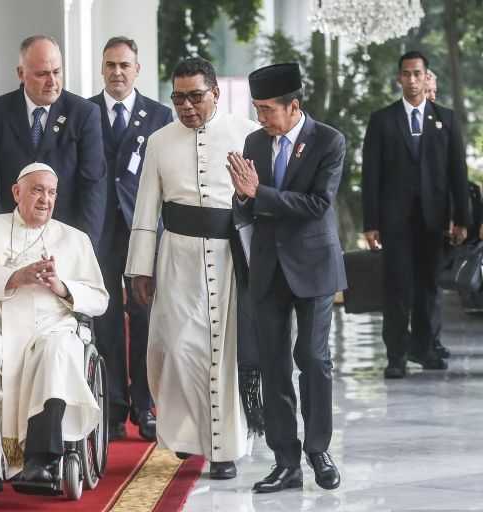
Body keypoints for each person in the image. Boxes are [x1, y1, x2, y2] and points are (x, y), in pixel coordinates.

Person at [0, 163, 108, 491]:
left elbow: (99, 299)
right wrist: (14, 277)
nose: (46, 199)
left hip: (49, 326)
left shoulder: (75, 239)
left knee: (57, 350)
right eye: (37, 190)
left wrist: (61, 286)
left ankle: (40, 461)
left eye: (52, 192)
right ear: (17, 192)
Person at [125, 57, 257, 481]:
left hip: (230, 258)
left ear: (215, 93)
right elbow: (146, 209)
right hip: (176, 258)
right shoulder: (160, 141)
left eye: (195, 96)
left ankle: (223, 451)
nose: (186, 106)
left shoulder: (247, 133)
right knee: (178, 349)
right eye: (178, 97)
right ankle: (186, 434)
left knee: (223, 356)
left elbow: (260, 200)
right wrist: (138, 270)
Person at [228, 62, 346, 492]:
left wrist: (259, 193)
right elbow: (245, 207)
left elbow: (317, 204)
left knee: (313, 360)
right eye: (256, 108)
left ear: (292, 106)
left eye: (266, 109)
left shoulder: (329, 140)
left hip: (313, 265)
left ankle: (319, 450)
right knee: (274, 365)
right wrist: (243, 197)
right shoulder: (254, 141)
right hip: (268, 267)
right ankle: (286, 462)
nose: (260, 118)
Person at [362, 51, 468, 378]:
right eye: (406, 74)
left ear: (426, 77)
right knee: (397, 289)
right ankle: (396, 356)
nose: (411, 80)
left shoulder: (446, 120)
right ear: (399, 78)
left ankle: (425, 349)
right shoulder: (382, 120)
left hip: (433, 221)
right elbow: (371, 175)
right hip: (395, 223)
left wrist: (461, 218)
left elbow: (457, 174)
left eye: (417, 74)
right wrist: (371, 223)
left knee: (428, 288)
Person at [89, 36, 173, 442]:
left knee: (143, 319)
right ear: (102, 69)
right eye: (110, 65)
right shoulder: (84, 112)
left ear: (137, 69)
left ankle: (145, 404)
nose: (117, 72)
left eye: (124, 65)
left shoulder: (159, 114)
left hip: (143, 231)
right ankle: (113, 407)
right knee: (104, 320)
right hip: (100, 233)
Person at [0, 35, 107, 248]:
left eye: (57, 72)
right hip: (8, 238)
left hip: (66, 238)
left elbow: (93, 187)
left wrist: (85, 247)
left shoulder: (84, 113)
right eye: (42, 74)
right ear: (21, 74)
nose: (52, 82)